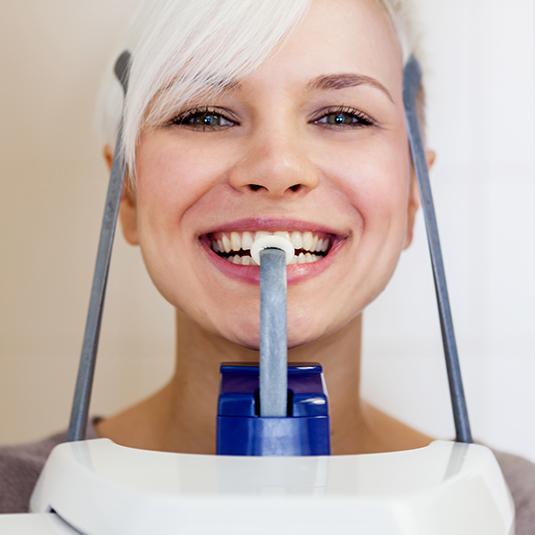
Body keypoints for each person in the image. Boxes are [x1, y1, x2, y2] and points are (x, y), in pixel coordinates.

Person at [1, 0, 534, 531]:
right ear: (129, 195)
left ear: (416, 193)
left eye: (342, 116)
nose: (277, 168)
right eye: (204, 115)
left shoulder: (517, 511)